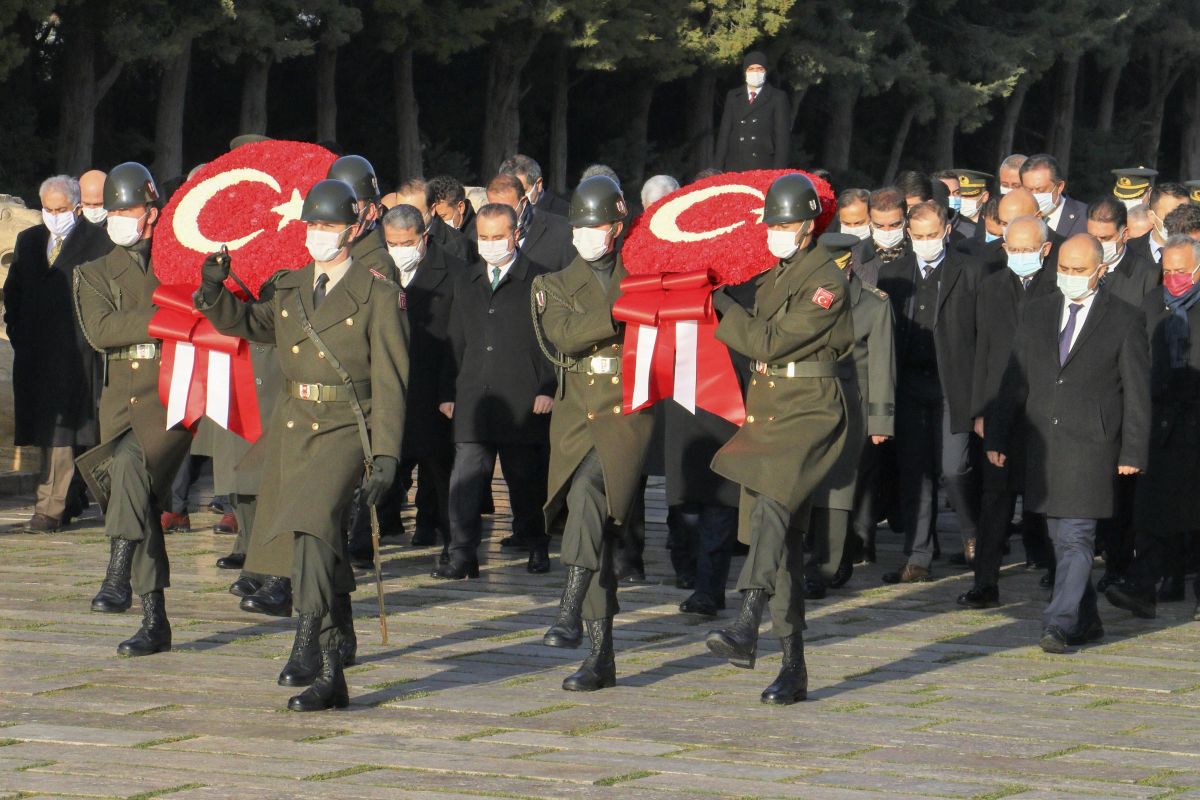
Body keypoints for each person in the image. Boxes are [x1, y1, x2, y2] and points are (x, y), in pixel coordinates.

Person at [196, 178, 410, 711]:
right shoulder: (291, 287)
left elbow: (391, 379)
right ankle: (336, 659)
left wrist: (386, 454)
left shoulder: (378, 293)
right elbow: (250, 324)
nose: (318, 235)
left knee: (314, 529)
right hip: (294, 426)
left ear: (354, 228)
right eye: (312, 225)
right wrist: (214, 290)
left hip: (346, 425)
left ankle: (309, 639)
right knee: (310, 539)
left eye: (329, 226)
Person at [703, 173, 854, 706]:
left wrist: (721, 306)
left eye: (787, 224)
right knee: (781, 536)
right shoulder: (774, 273)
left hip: (811, 412)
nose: (777, 233)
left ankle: (746, 619)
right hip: (770, 410)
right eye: (773, 225)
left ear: (810, 226)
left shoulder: (827, 281)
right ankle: (792, 666)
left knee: (771, 505)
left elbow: (770, 340)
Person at [987, 234, 1150, 653]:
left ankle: (1058, 622)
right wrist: (1000, 433)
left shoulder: (1124, 318)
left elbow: (1136, 391)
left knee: (1077, 537)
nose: (1071, 278)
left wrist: (1133, 451)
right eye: (1064, 269)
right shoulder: (1037, 311)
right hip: (1043, 444)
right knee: (1060, 538)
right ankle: (1088, 619)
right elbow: (1014, 376)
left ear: (1100, 271)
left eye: (1080, 271)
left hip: (1092, 446)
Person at [534, 175, 654, 692]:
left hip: (627, 413)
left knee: (587, 493)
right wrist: (624, 309)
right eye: (579, 225)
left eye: (597, 224)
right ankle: (600, 657)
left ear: (618, 226)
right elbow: (564, 334)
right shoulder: (551, 284)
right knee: (595, 533)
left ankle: (567, 608)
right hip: (576, 418)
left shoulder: (646, 275)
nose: (587, 233)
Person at [73, 162, 194, 656]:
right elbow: (102, 332)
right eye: (115, 209)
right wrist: (169, 314)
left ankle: (117, 569)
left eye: (131, 209)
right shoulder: (93, 270)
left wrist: (153, 315)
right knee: (135, 492)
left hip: (173, 391)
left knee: (128, 469)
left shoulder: (179, 262)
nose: (123, 218)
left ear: (153, 210)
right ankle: (154, 620)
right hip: (120, 397)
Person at [434, 203, 555, 578]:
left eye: (497, 237)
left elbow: (553, 339)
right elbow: (454, 339)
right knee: (466, 479)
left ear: (515, 234)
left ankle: (536, 543)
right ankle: (462, 554)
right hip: (474, 395)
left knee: (525, 480)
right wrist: (447, 391)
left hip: (522, 398)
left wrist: (547, 386)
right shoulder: (466, 281)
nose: (490, 244)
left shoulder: (540, 279)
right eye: (483, 237)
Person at [877, 201, 980, 583]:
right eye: (918, 236)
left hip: (954, 383)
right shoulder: (892, 274)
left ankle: (972, 531)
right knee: (914, 470)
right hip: (909, 382)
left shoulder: (969, 270)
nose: (925, 242)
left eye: (932, 235)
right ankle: (918, 554)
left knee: (955, 468)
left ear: (947, 231)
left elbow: (980, 333)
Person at [5, 174, 112, 532]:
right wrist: (18, 331)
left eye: (61, 209)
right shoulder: (30, 240)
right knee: (48, 431)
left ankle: (51, 506)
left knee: (70, 434)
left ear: (76, 207)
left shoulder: (99, 241)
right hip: (36, 353)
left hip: (79, 354)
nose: (53, 215)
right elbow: (14, 293)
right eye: (48, 209)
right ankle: (69, 499)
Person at [962, 215, 1057, 608]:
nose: (1019, 256)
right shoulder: (992, 286)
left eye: (1026, 249)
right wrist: (980, 411)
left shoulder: (1058, 286)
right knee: (995, 498)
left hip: (1045, 407)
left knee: (1048, 498)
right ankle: (985, 582)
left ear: (1045, 249)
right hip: (1000, 405)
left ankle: (1056, 571)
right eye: (1012, 249)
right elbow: (982, 352)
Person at [1106, 236, 1200, 621]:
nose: (1175, 278)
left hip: (1196, 417)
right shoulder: (1151, 305)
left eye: (1183, 271)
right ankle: (1142, 587)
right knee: (1150, 509)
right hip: (1159, 420)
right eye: (1169, 271)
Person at [803, 232, 895, 596]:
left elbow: (882, 367)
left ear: (849, 264)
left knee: (838, 489)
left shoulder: (873, 304)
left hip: (850, 406)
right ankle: (816, 556)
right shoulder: (803, 297)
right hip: (805, 402)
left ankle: (824, 566)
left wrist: (880, 421)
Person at [379, 204, 460, 552]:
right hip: (389, 384)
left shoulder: (454, 272)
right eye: (392, 243)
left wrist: (449, 391)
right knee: (385, 463)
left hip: (433, 385)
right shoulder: (375, 271)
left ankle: (444, 534)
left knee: (438, 467)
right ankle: (374, 532)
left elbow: (459, 337)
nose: (399, 250)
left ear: (423, 238)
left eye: (406, 242)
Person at [713, 50, 791, 172]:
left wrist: (778, 173)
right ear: (745, 72)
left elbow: (782, 139)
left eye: (760, 69)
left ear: (765, 72)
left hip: (763, 165)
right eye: (751, 69)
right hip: (734, 165)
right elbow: (724, 134)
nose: (756, 72)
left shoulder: (777, 97)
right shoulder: (733, 96)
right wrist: (717, 169)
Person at [484, 172, 574, 271]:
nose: (498, 215)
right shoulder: (478, 234)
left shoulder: (561, 231)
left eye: (505, 208)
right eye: (493, 207)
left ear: (523, 202)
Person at [850, 186, 909, 288]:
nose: (886, 231)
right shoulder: (853, 257)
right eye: (879, 226)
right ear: (870, 221)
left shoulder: (919, 255)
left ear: (905, 220)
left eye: (894, 225)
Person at [1019, 154, 1087, 238]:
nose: (1035, 196)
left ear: (1059, 187)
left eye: (1041, 190)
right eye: (1028, 190)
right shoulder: (1017, 215)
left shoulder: (1085, 217)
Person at [1128, 183, 1190, 265]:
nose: (1180, 222)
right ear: (1152, 216)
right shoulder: (1129, 251)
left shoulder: (1196, 250)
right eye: (1172, 215)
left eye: (1185, 215)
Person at [499, 153, 571, 218]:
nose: (515, 198)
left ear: (539, 184)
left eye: (521, 192)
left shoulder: (564, 213)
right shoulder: (495, 212)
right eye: (508, 191)